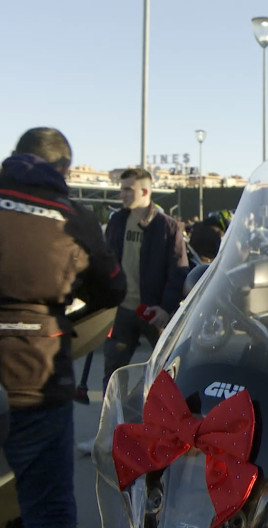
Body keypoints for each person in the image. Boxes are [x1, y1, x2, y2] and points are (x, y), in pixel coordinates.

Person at [0, 127, 127, 527]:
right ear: (63, 168)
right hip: (36, 371)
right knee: (48, 502)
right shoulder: (73, 216)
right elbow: (112, 288)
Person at [101, 168, 188, 391]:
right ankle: (113, 423)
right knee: (113, 375)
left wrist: (166, 308)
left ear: (145, 191)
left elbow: (178, 270)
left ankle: (157, 418)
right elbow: (105, 261)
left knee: (168, 369)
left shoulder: (167, 226)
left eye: (128, 190)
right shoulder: (117, 222)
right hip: (122, 311)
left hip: (153, 312)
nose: (122, 195)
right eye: (121, 190)